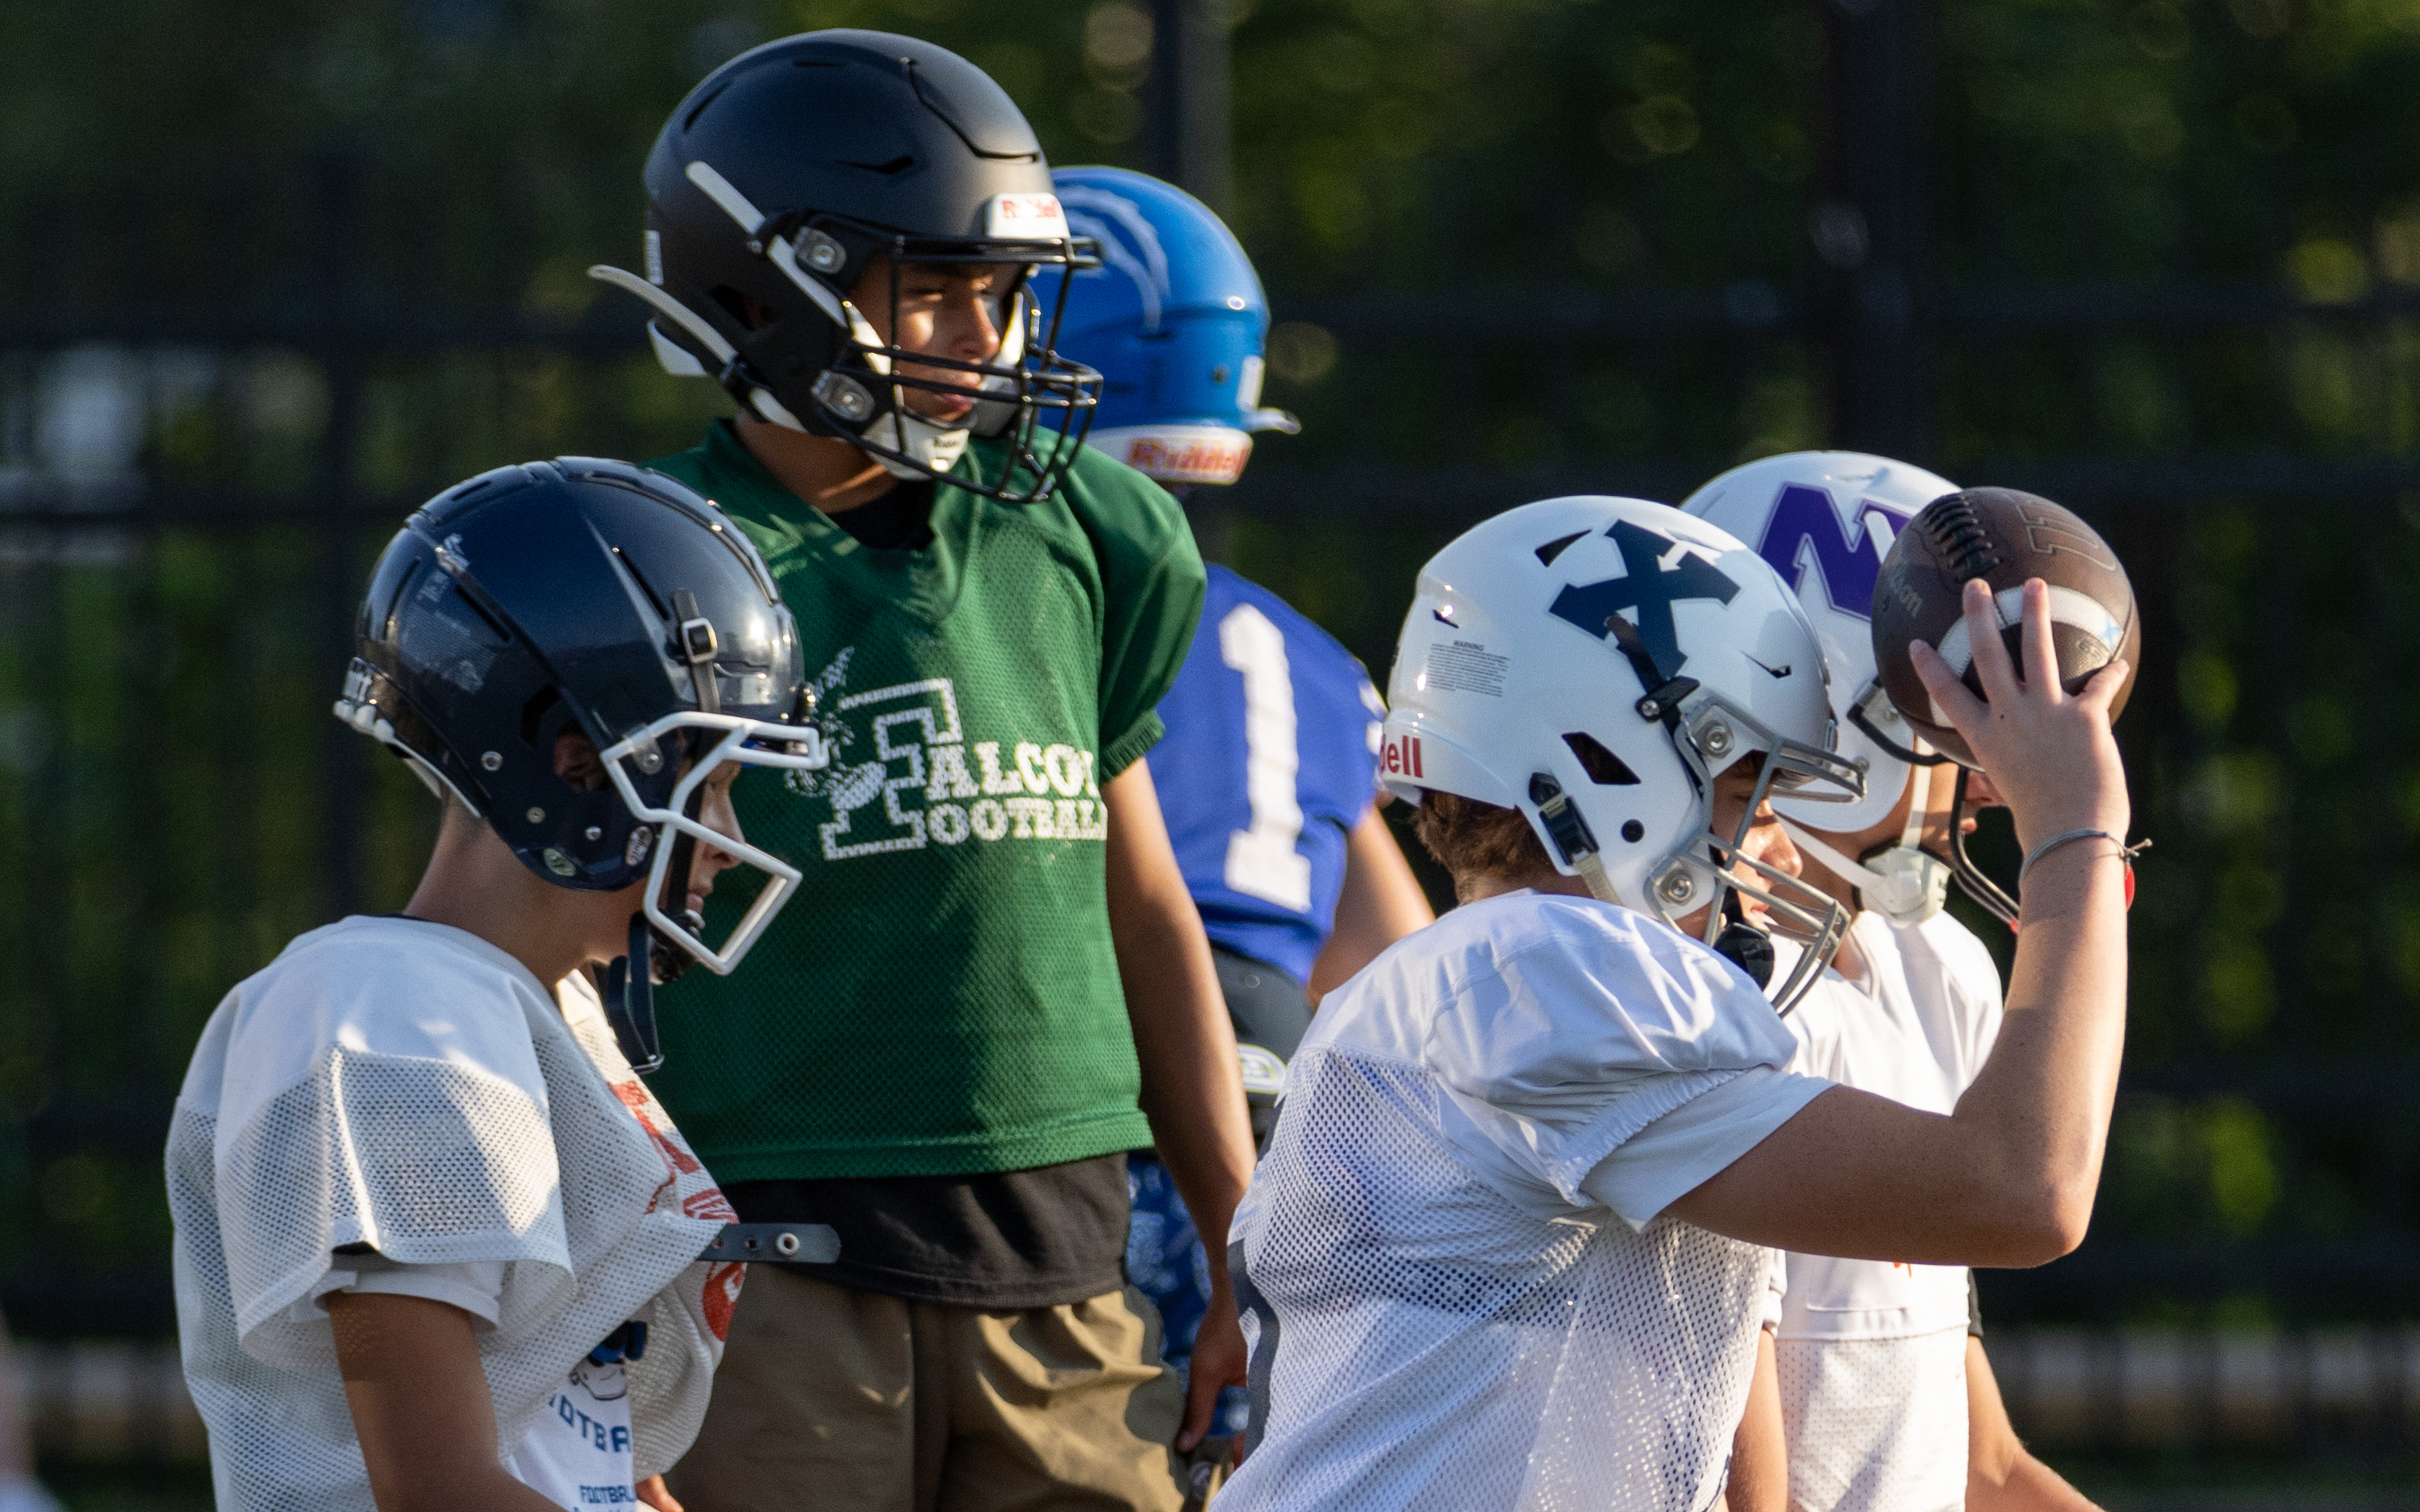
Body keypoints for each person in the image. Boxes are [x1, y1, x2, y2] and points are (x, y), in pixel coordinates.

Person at [586, 32, 1257, 1512]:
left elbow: (1144, 907)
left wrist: (1237, 1241)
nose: (987, 335)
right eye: (938, 286)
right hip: (763, 1267)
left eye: (1005, 291)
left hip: (1065, 1261)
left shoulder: (1088, 530)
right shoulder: (640, 558)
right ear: (764, 289)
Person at [1218, 495, 2137, 1511]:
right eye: (1747, 798)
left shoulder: (1493, 989)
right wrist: (2075, 833)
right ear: (1611, 771)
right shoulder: (1547, 972)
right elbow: (2026, 1189)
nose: (1771, 849)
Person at [165, 458, 823, 1511]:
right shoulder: (385, 1019)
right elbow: (437, 1488)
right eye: (717, 783)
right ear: (574, 765)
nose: (731, 843)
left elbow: (578, 1423)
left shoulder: (547, 1006)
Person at [1033, 165, 1436, 1454]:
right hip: (1283, 1138)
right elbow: (1392, 955)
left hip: (1089, 1117)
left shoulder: (1019, 615)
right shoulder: (1304, 652)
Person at [1686, 452, 2101, 1511]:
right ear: (1827, 714)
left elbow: (1980, 1462)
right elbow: (1741, 1472)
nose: (1994, 784)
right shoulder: (1725, 986)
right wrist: (2079, 837)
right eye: (1964, 724)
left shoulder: (1933, 963)